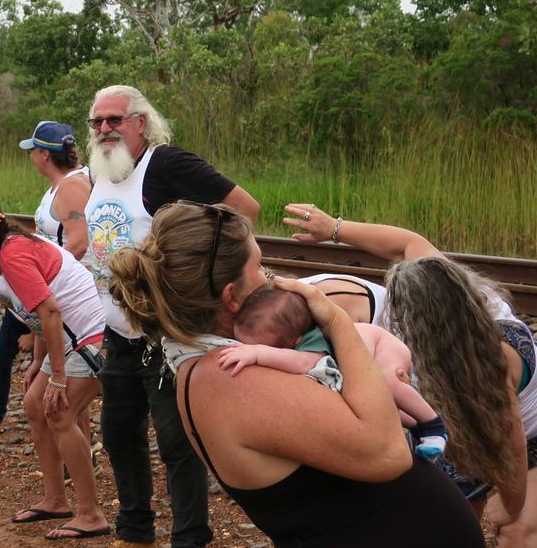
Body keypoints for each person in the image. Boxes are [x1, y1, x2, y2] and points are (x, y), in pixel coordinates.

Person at [106, 201, 484, 547]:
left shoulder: (218, 364)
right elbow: (388, 454)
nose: (270, 275)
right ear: (232, 297)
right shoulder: (232, 380)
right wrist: (334, 318)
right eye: (259, 265)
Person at [285, 205, 536, 544]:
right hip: (459, 436)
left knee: (517, 532)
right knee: (449, 528)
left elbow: (510, 437)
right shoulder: (436, 276)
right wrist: (333, 228)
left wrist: (513, 506)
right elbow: (409, 242)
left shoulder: (495, 351)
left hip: (528, 438)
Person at [83, 85, 258, 548]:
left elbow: (244, 211)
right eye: (97, 122)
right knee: (119, 436)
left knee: (178, 443)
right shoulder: (97, 172)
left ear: (140, 122)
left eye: (114, 120)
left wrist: (201, 282)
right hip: (118, 332)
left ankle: (190, 538)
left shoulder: (168, 165)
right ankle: (135, 531)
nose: (104, 129)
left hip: (167, 333)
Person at [0, 194, 109, 540]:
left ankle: (91, 514)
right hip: (73, 338)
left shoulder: (12, 253)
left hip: (96, 337)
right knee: (33, 403)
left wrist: (57, 376)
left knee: (58, 412)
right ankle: (56, 499)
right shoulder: (8, 249)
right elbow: (39, 312)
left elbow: (51, 310)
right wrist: (39, 362)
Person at [0, 121, 90, 439]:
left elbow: (78, 244)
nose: (30, 157)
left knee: (67, 383)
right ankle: (79, 446)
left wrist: (35, 282)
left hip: (60, 294)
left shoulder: (73, 187)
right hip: (44, 288)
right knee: (29, 364)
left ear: (44, 155)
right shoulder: (58, 187)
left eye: (32, 151)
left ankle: (79, 449)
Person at [221, 286, 448, 459]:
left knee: (386, 384)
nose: (248, 348)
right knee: (380, 405)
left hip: (380, 345)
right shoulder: (294, 338)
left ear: (294, 341)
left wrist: (256, 354)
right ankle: (417, 426)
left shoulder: (310, 346)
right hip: (366, 353)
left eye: (264, 346)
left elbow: (301, 363)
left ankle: (433, 424)